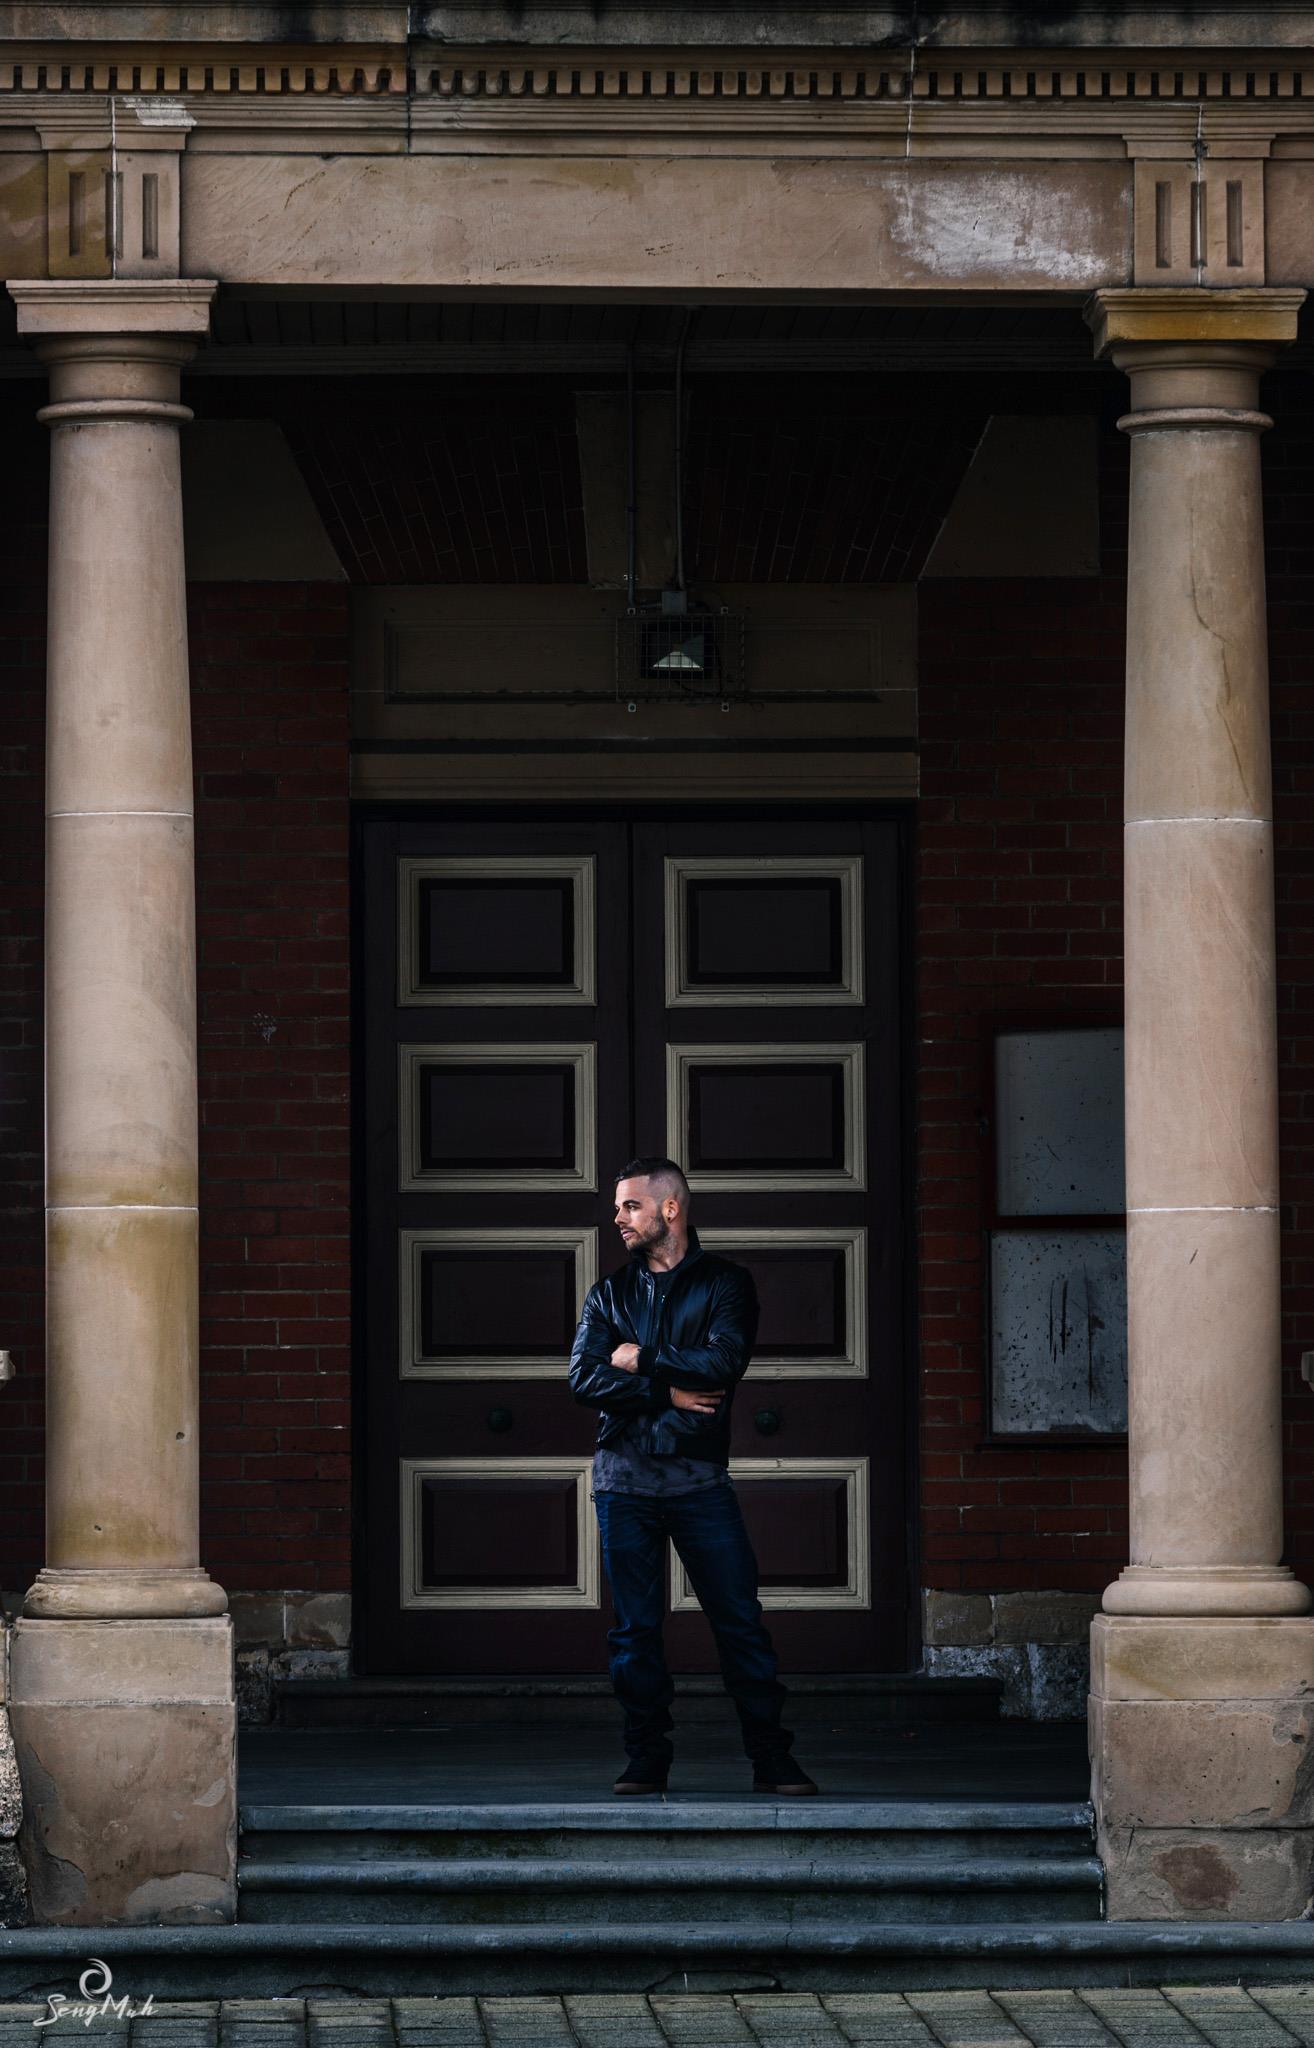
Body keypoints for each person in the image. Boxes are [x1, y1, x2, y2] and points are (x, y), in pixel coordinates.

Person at [569, 1156, 817, 1797]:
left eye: (630, 1206)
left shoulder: (726, 1285)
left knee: (739, 1622)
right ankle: (646, 1760)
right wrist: (667, 1394)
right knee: (634, 1632)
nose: (617, 1217)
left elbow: (722, 1362)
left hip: (697, 1480)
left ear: (669, 1209)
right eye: (618, 1206)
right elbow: (583, 1378)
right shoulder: (608, 1295)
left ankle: (772, 1759)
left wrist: (642, 1360)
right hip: (622, 1482)